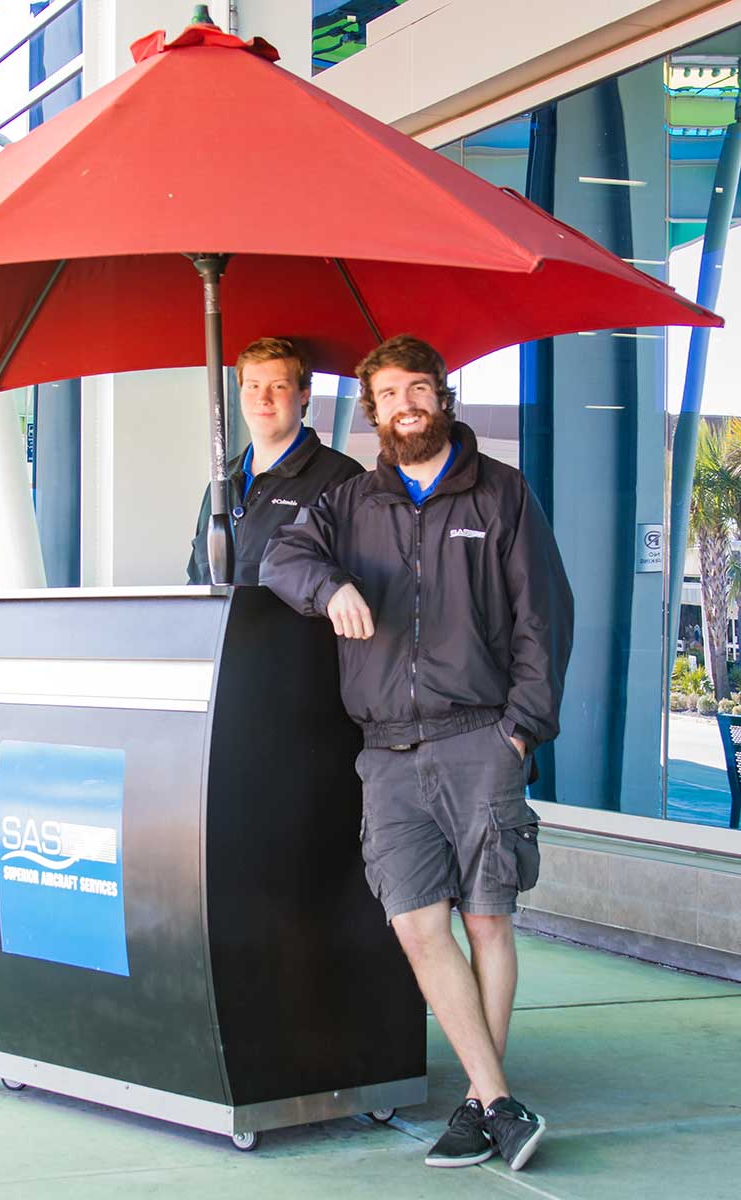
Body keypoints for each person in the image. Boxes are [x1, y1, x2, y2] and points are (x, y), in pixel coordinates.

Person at [260, 334, 573, 1172]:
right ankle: (497, 1099)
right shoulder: (350, 502)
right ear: (373, 412)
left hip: (480, 737)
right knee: (414, 921)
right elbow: (279, 556)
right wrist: (331, 588)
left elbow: (544, 617)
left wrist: (520, 731)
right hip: (388, 750)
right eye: (390, 394)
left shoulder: (501, 495)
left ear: (444, 397)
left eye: (419, 390)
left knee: (487, 917)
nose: (407, 406)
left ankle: (478, 1105)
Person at [187, 337, 363, 585]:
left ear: (304, 395)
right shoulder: (221, 483)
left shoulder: (343, 480)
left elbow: (359, 583)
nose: (263, 398)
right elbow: (196, 578)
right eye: (252, 386)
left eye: (278, 386)